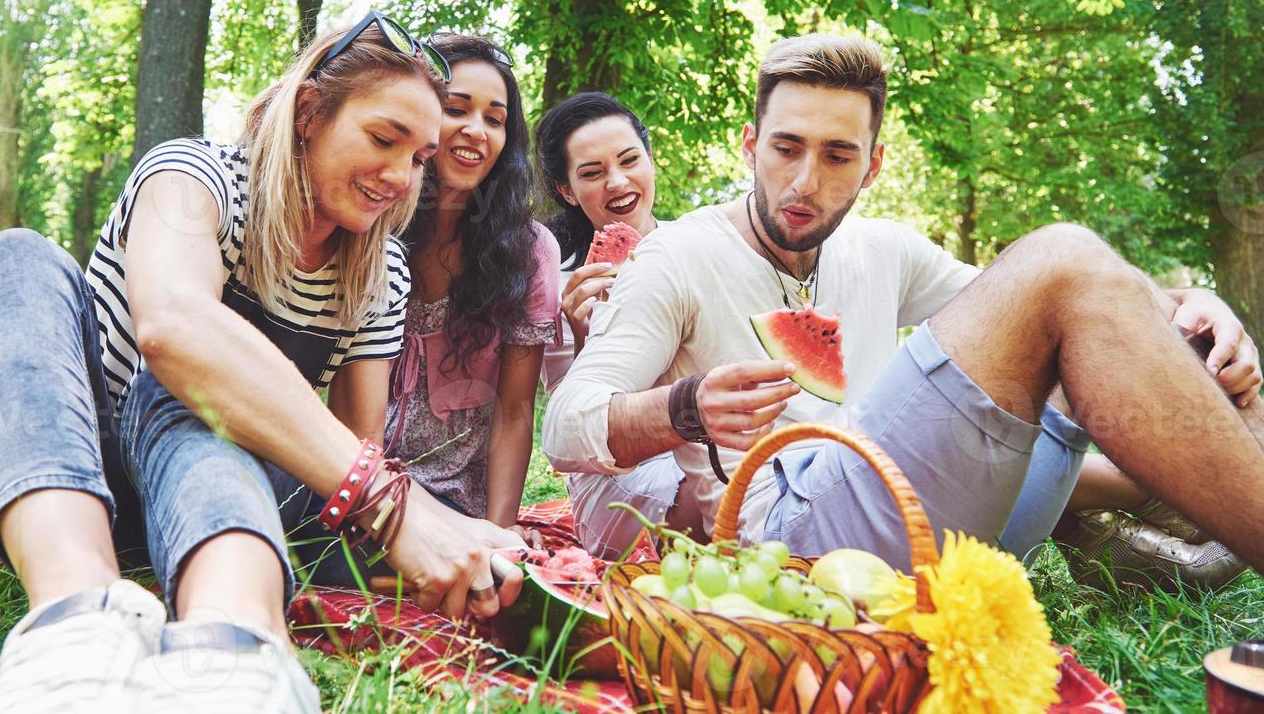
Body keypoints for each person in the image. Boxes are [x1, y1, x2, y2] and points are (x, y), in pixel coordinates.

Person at [0, 14, 524, 714]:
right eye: (383, 139)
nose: (400, 177)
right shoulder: (194, 176)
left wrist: (445, 525)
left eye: (418, 158)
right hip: (59, 475)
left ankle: (236, 647)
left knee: (201, 391)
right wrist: (397, 510)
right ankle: (77, 618)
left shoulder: (381, 271)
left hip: (215, 493)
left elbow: (351, 448)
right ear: (309, 113)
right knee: (21, 255)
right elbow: (173, 326)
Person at [544, 33, 1263, 583]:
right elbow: (565, 426)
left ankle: (1199, 527)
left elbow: (1060, 306)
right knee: (1061, 251)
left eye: (836, 157)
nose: (802, 182)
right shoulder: (674, 259)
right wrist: (680, 407)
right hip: (801, 547)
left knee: (1192, 345)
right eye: (785, 148)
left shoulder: (880, 247)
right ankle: (1159, 524)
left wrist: (1185, 304)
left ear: (873, 165)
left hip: (934, 529)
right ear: (750, 144)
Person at [384, 34, 561, 534]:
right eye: (455, 109)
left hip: (455, 506)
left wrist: (498, 534)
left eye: (495, 119)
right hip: (356, 488)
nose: (476, 131)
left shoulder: (529, 252)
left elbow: (514, 409)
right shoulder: (371, 226)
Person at [534, 91, 687, 557]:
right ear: (567, 191)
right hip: (614, 475)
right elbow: (569, 437)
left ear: (650, 160)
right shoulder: (558, 283)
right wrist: (585, 339)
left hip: (711, 449)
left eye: (628, 160)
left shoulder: (702, 249)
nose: (617, 182)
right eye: (592, 173)